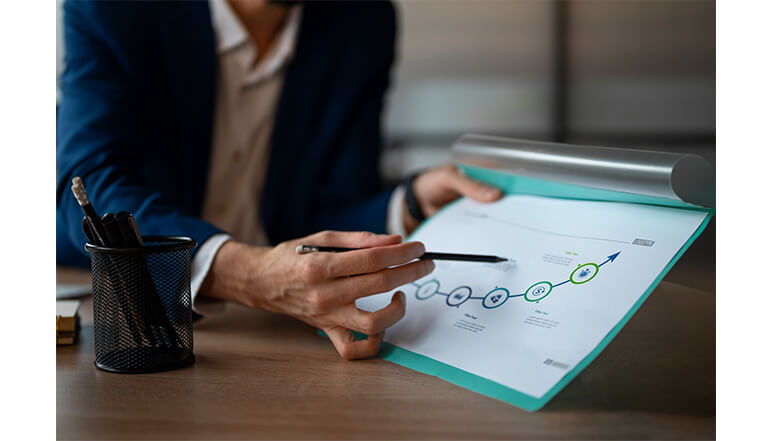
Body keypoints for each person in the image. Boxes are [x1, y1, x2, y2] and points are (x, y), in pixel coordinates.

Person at [56, 0, 501, 359]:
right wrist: (248, 273)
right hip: (120, 310)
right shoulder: (112, 9)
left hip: (282, 332)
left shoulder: (362, 21)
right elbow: (89, 183)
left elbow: (331, 208)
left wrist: (408, 204)